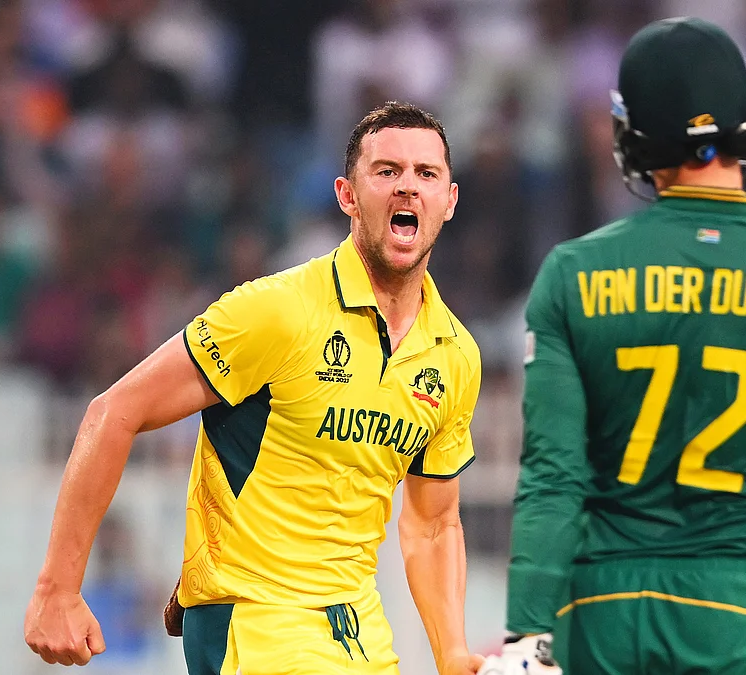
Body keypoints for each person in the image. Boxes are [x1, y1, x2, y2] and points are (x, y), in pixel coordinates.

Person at [24, 102, 486, 675]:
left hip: (359, 633)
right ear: (346, 195)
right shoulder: (278, 310)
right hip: (249, 622)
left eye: (426, 174)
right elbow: (113, 412)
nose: (407, 188)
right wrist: (57, 590)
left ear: (450, 200)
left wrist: (453, 655)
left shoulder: (455, 354)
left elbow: (434, 522)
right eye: (387, 171)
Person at [479, 17, 746, 675]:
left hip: (609, 618)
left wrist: (528, 636)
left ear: (630, 137)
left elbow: (553, 474)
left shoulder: (573, 274)